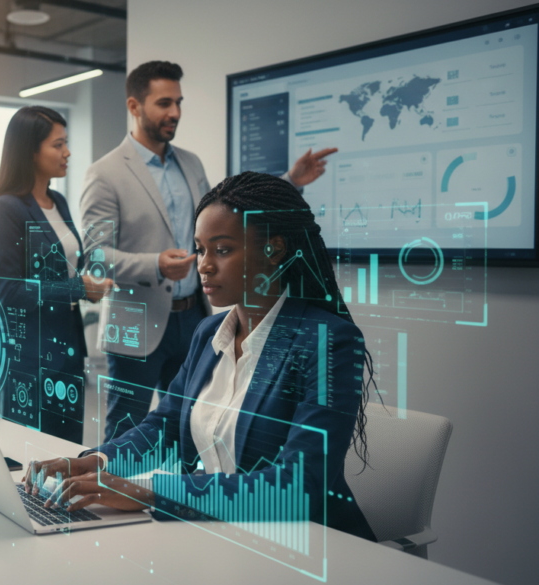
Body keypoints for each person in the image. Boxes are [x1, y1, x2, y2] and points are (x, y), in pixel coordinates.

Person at [24, 172, 377, 541]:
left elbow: (298, 486)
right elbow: (166, 425)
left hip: (308, 548)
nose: (204, 265)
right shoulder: (209, 332)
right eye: (201, 249)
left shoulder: (329, 342)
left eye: (222, 250)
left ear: (274, 250)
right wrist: (94, 462)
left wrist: (151, 495)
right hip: (219, 536)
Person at [80, 61, 338, 442]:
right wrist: (156, 265)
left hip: (194, 319)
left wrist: (289, 182)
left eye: (179, 102)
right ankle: (106, 490)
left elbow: (227, 216)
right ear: (134, 106)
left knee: (189, 427)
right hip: (136, 322)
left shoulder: (190, 163)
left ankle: (180, 498)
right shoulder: (104, 174)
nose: (175, 113)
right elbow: (96, 255)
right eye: (164, 103)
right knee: (128, 430)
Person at [0, 106, 114, 444]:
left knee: (66, 452)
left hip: (66, 348)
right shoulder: (5, 209)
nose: (67, 152)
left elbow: (68, 265)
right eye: (58, 145)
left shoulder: (57, 201)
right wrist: (78, 288)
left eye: (66, 143)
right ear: (30, 150)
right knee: (25, 456)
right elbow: (9, 292)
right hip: (25, 354)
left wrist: (91, 280)